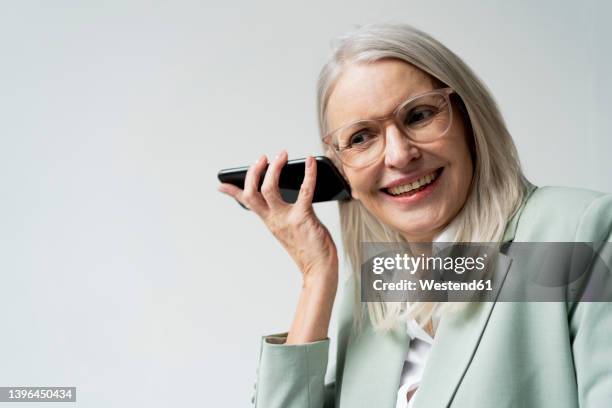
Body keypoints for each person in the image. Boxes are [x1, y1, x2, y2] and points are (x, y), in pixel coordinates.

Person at [218, 22, 612, 407]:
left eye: (419, 115)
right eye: (361, 138)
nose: (399, 155)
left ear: (469, 118)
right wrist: (315, 278)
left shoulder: (574, 236)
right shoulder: (380, 286)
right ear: (340, 168)